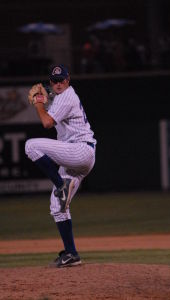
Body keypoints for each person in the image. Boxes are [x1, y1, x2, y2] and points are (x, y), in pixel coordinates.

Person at [25, 64, 97, 267]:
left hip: (80, 150)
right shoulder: (60, 97)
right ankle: (72, 254)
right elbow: (52, 111)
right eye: (54, 81)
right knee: (57, 207)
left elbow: (47, 123)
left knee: (30, 146)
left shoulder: (67, 95)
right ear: (51, 82)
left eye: (62, 80)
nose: (58, 84)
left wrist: (39, 102)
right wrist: (44, 102)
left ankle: (61, 185)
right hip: (76, 157)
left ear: (68, 80)